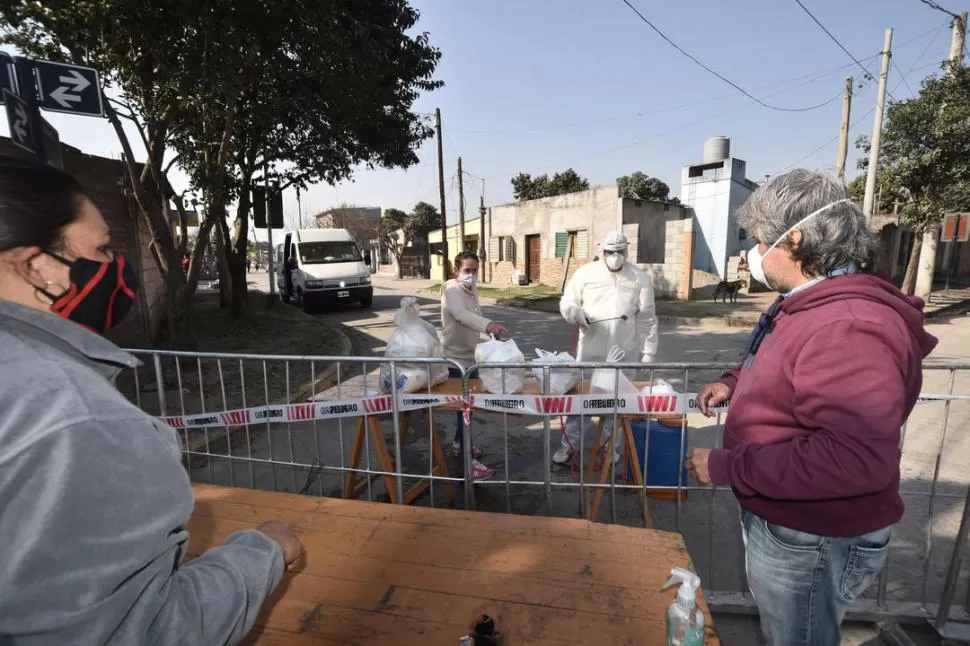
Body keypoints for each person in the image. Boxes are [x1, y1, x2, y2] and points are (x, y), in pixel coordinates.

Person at [0, 157, 303, 645]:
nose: (114, 265)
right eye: (101, 248)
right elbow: (146, 632)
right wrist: (264, 551)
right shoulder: (70, 415)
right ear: (37, 267)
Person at [686, 169, 938, 645]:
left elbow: (852, 460)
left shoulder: (847, 325)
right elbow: (784, 363)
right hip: (793, 520)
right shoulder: (806, 303)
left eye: (761, 242)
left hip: (811, 537)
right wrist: (734, 382)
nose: (755, 256)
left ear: (795, 238)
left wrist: (726, 466)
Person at [556, 230, 659, 465]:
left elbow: (647, 317)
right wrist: (576, 313)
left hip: (625, 351)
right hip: (591, 350)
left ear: (626, 251)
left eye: (619, 252)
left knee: (617, 403)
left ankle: (610, 447)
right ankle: (568, 445)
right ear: (601, 251)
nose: (615, 256)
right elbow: (567, 301)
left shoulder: (639, 278)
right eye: (610, 252)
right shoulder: (586, 274)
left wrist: (648, 352)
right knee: (581, 402)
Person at [440, 251, 508, 480]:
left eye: (474, 270)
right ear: (456, 270)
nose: (471, 275)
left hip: (471, 357)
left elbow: (475, 314)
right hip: (455, 360)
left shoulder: (471, 289)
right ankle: (470, 463)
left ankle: (460, 444)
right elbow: (460, 315)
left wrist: (490, 334)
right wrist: (488, 324)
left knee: (466, 409)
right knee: (464, 409)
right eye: (467, 270)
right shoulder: (451, 290)